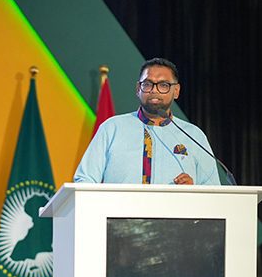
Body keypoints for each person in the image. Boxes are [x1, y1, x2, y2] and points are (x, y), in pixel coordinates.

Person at [74, 58, 220, 185]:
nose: (154, 90)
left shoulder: (194, 136)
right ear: (138, 89)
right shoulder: (112, 128)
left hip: (176, 215)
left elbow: (213, 192)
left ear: (176, 91)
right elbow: (84, 180)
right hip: (120, 216)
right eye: (148, 84)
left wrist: (194, 191)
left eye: (163, 85)